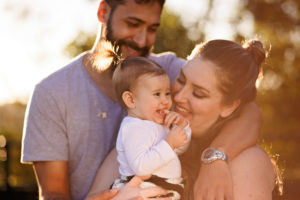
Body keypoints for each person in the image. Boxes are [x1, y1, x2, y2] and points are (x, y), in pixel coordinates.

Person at [21, 0, 262, 199]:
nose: (142, 40)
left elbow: (247, 110)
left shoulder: (162, 70)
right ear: (103, 12)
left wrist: (215, 157)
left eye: (152, 28)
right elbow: (53, 192)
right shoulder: (52, 93)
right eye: (132, 24)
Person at [171, 39, 275, 199]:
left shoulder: (247, 163)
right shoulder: (152, 135)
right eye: (181, 80)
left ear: (230, 106)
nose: (179, 97)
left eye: (198, 94)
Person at [111, 56, 191, 199]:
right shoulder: (134, 128)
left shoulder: (156, 124)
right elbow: (141, 167)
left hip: (160, 189)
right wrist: (169, 144)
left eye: (167, 94)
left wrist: (182, 128)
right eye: (157, 94)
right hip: (142, 189)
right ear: (131, 100)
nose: (165, 101)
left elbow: (178, 149)